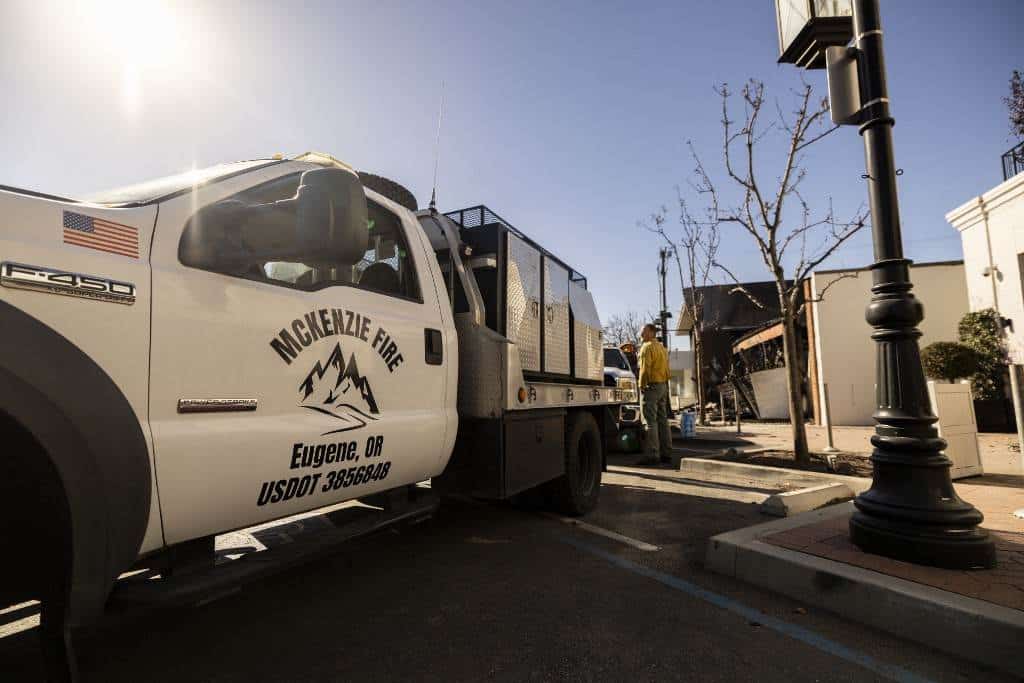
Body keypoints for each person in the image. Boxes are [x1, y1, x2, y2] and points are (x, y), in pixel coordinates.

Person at [636, 323, 672, 466]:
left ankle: (652, 455)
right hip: (663, 385)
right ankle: (666, 453)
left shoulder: (647, 347)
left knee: (650, 421)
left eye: (643, 331)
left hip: (651, 386)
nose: (641, 333)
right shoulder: (662, 348)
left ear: (651, 332)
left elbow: (645, 370)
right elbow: (667, 368)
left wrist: (642, 385)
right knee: (662, 419)